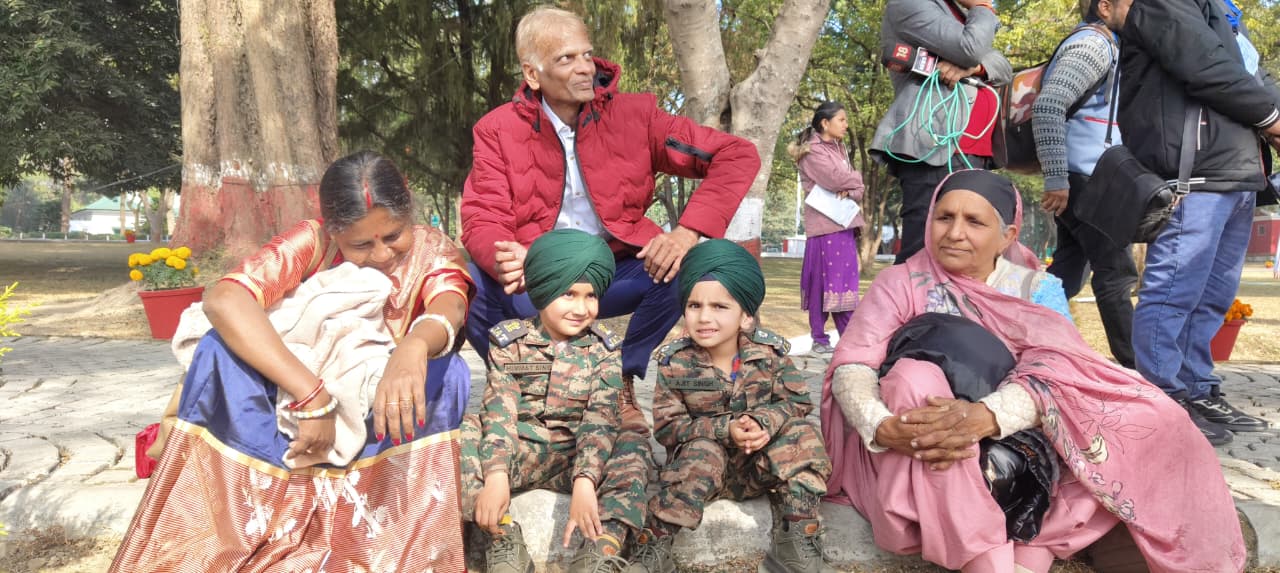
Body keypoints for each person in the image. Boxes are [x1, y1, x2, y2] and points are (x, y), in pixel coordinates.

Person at [821, 170, 1245, 572]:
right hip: (916, 437)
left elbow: (1059, 367)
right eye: (944, 217)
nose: (954, 233)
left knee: (1153, 417)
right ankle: (984, 555)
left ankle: (1032, 545)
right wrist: (880, 426)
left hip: (1013, 435)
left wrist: (985, 417)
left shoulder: (1036, 289)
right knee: (913, 378)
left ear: (1007, 235)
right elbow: (854, 363)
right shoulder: (901, 283)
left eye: (974, 222)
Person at [111, 151, 475, 571]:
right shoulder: (314, 241)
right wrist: (312, 396)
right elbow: (224, 299)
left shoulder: (432, 249)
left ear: (408, 212)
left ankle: (383, 543)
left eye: (392, 236)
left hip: (380, 398)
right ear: (335, 231)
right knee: (216, 349)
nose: (381, 254)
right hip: (297, 391)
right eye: (361, 244)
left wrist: (413, 346)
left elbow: (449, 305)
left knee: (448, 373)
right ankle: (235, 532)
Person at [461, 6, 760, 430]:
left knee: (689, 265)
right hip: (540, 274)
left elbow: (736, 154)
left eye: (587, 54)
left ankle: (618, 378)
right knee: (474, 283)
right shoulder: (496, 129)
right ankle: (522, 386)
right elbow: (481, 214)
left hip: (616, 270)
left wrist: (686, 233)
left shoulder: (635, 115)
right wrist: (503, 256)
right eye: (567, 59)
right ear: (532, 73)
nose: (586, 68)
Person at [1119, 0, 1280, 444]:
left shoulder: (1227, 13)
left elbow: (1255, 76)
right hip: (1195, 170)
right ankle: (1163, 396)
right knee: (1174, 289)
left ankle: (1196, 386)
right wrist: (1271, 117)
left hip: (1237, 169)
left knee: (1214, 294)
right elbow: (1202, 61)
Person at [626, 240, 833, 573]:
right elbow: (668, 428)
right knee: (701, 450)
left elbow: (796, 402)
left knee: (801, 435)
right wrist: (725, 430)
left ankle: (796, 539)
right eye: (694, 305)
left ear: (746, 315)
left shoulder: (769, 354)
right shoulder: (675, 363)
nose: (704, 317)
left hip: (760, 470)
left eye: (720, 307)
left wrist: (763, 421)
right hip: (701, 476)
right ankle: (655, 546)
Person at [460, 229, 654, 573]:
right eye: (568, 294)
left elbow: (600, 419)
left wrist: (585, 481)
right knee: (466, 434)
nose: (582, 308)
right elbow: (499, 412)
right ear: (542, 289)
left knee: (633, 445)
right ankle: (502, 536)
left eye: (591, 295)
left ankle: (601, 547)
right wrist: (496, 475)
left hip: (577, 454)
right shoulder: (510, 343)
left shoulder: (605, 350)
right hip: (523, 449)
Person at [1032, 0, 1137, 369]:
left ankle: (1022, 341)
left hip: (1086, 175)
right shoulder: (1093, 44)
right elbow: (1048, 106)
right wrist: (1057, 178)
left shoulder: (1109, 44)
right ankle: (1140, 371)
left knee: (1065, 273)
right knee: (1115, 273)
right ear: (1104, 7)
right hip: (1084, 178)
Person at [872, 0, 1012, 264]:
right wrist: (983, 7)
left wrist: (974, 67)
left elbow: (1003, 67)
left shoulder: (963, 16)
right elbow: (969, 48)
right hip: (932, 149)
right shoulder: (909, 4)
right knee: (923, 253)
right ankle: (909, 306)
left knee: (965, 256)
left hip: (975, 152)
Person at [789, 101, 865, 355]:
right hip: (824, 228)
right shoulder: (812, 151)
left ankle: (848, 340)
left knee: (844, 284)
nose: (846, 124)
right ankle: (821, 340)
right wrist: (856, 180)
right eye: (841, 120)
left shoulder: (839, 150)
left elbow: (857, 190)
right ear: (825, 123)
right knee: (824, 284)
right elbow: (835, 180)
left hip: (843, 225)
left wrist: (853, 186)